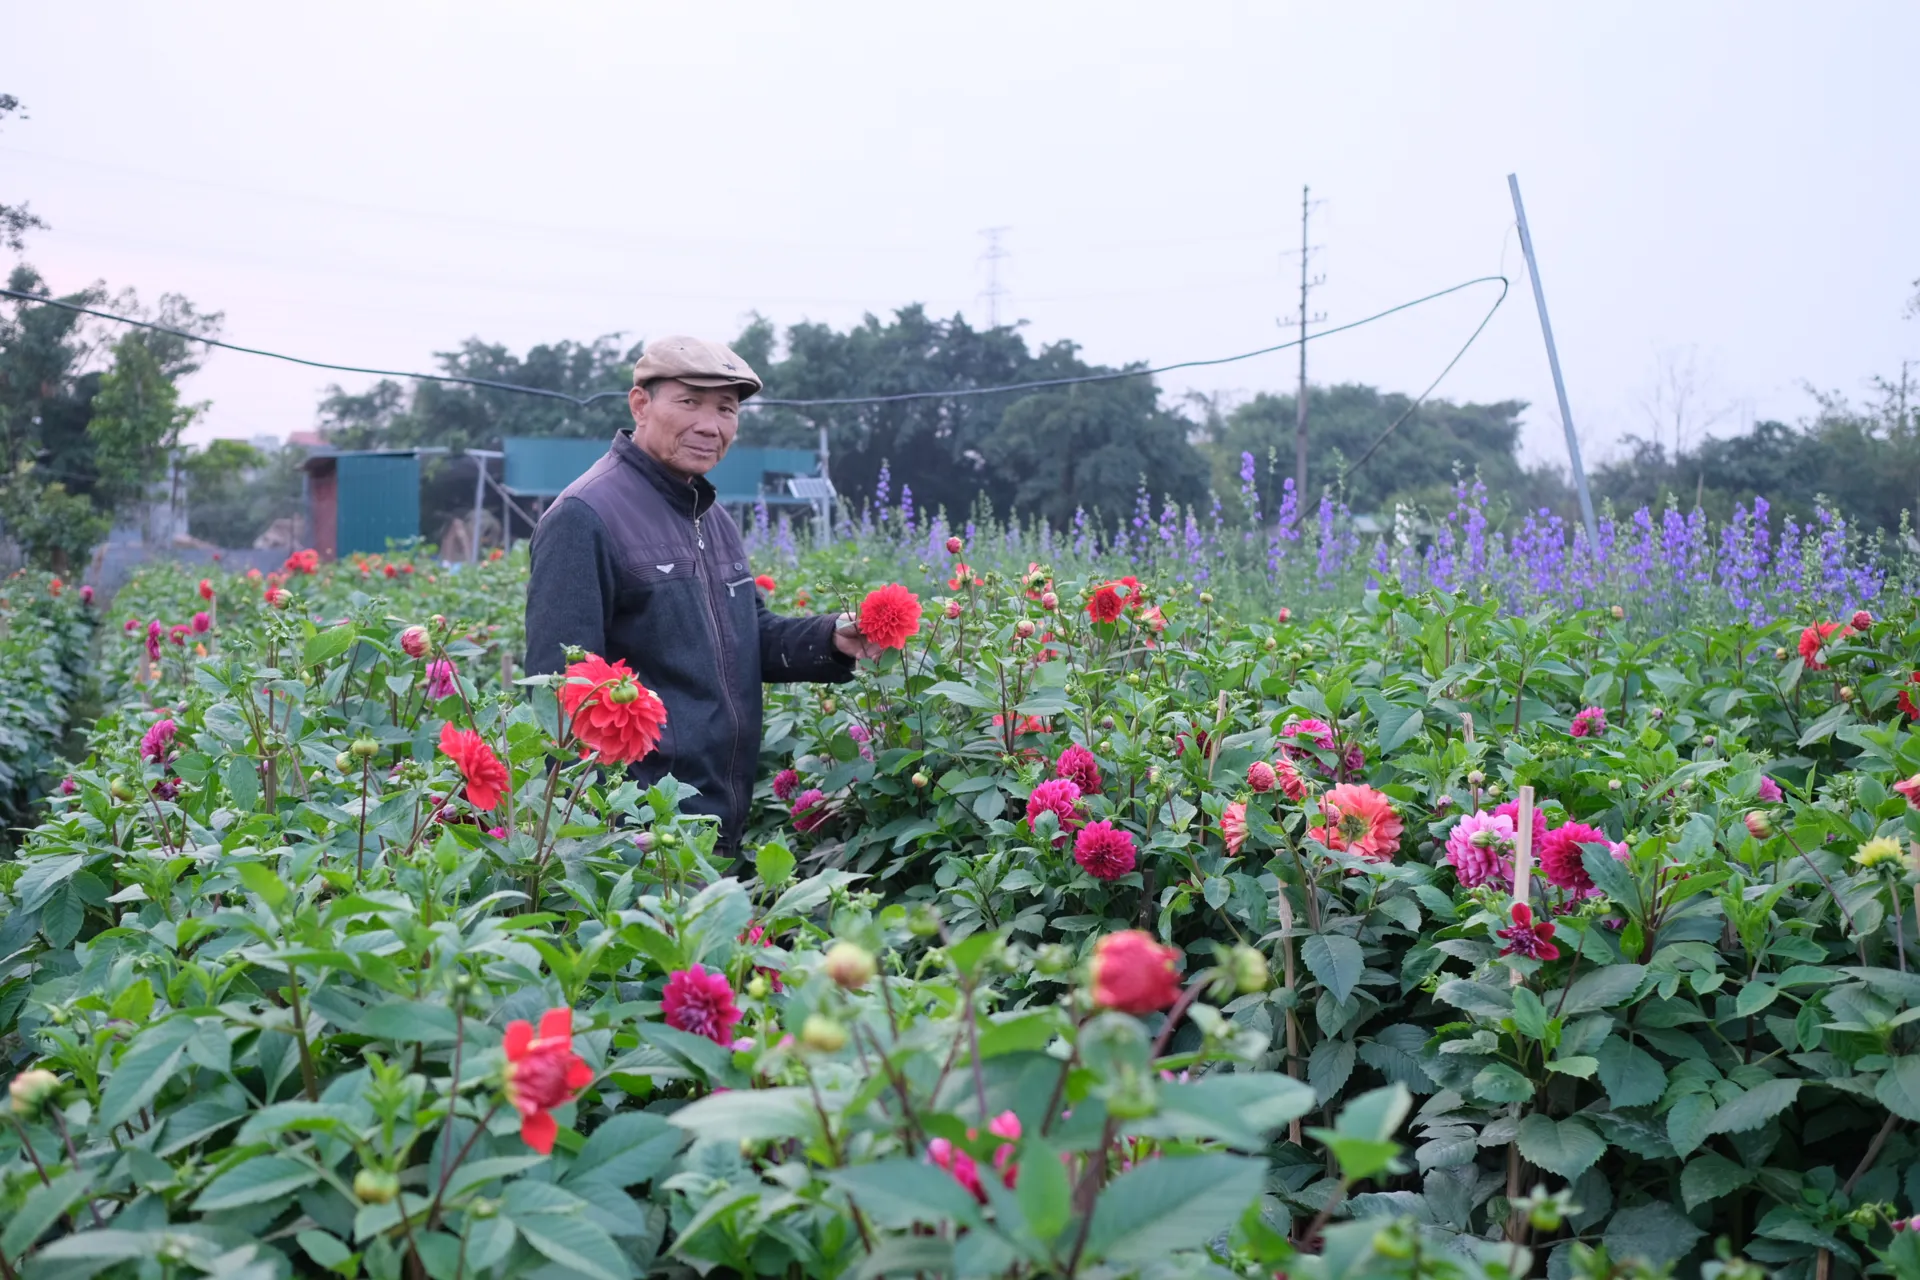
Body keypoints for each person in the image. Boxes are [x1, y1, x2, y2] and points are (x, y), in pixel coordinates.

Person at [524, 335, 879, 858]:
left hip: (715, 816)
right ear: (640, 404)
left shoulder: (708, 515)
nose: (710, 425)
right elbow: (560, 693)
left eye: (726, 409)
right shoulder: (584, 516)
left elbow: (746, 636)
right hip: (637, 832)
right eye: (689, 402)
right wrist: (597, 841)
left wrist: (832, 637)